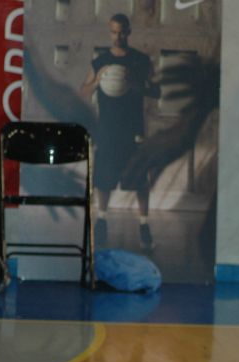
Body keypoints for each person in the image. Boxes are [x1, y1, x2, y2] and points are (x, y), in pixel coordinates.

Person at [80, 14, 159, 249]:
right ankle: (101, 221)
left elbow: (157, 92)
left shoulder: (141, 61)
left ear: (129, 31)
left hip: (133, 130)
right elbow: (83, 91)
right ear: (109, 32)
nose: (118, 36)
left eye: (122, 32)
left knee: (139, 182)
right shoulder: (100, 61)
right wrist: (97, 82)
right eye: (114, 32)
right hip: (107, 130)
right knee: (103, 181)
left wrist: (140, 86)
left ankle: (144, 225)